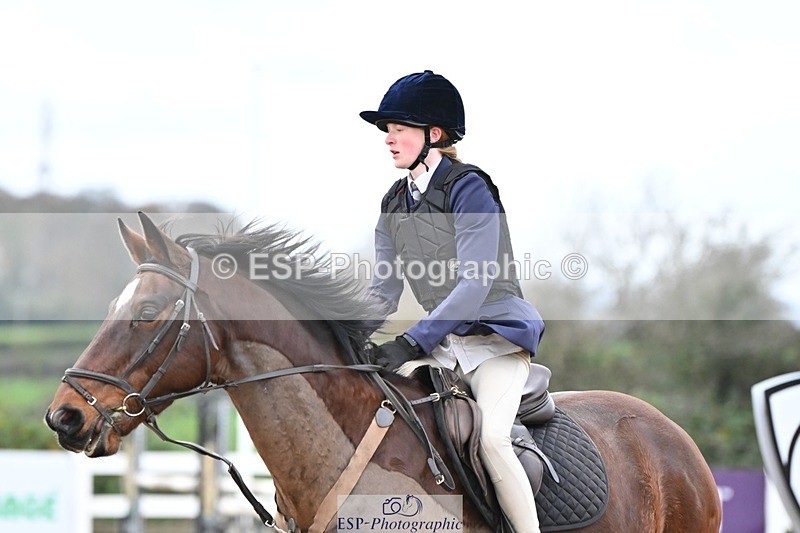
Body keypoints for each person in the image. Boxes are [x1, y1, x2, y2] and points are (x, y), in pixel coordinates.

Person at [360, 70, 546, 533]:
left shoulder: (469, 188)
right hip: (442, 348)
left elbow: (474, 286)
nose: (389, 138)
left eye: (399, 128)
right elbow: (384, 291)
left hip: (494, 342)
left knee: (493, 441)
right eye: (387, 129)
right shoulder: (392, 204)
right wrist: (342, 333)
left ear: (434, 135)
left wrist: (410, 342)